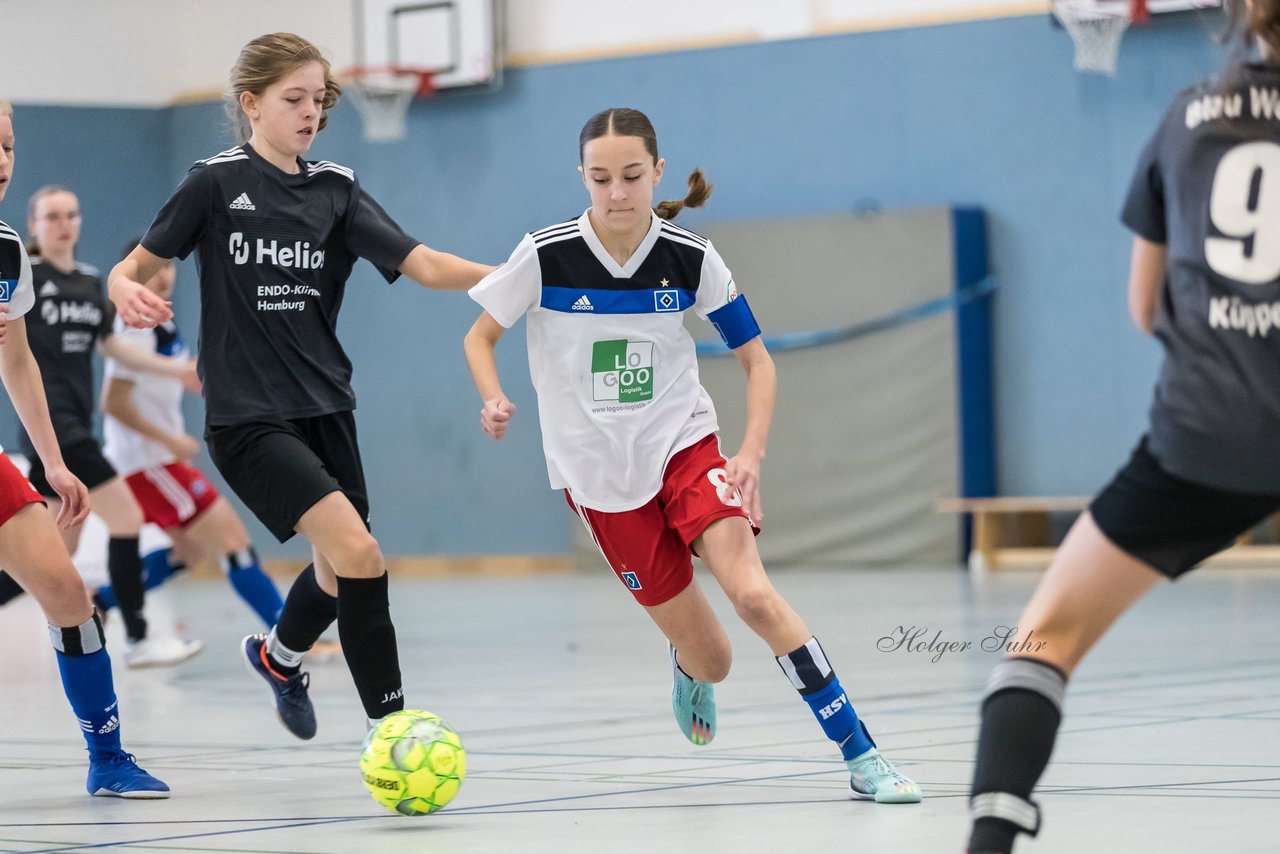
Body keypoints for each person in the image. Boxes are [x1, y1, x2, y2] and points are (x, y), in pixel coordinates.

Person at [464, 107, 922, 804]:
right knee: (716, 658)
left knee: (756, 597)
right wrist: (492, 397)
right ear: (581, 178)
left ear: (658, 172)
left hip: (684, 446)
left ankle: (863, 755)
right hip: (599, 481)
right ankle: (688, 668)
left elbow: (757, 361)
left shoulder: (692, 258)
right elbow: (479, 337)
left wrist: (750, 455)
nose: (617, 193)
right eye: (600, 179)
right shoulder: (545, 254)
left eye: (631, 176)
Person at [108, 32, 495, 741]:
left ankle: (278, 659)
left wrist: (513, 277)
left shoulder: (336, 190)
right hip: (247, 419)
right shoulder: (214, 183)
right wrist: (121, 290)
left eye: (319, 99)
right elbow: (130, 267)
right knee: (362, 555)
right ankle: (394, 729)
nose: (310, 111)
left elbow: (427, 264)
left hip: (327, 406)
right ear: (251, 104)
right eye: (294, 99)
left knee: (333, 565)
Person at [966, 2, 1280, 850]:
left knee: (1043, 637)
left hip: (1201, 439)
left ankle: (990, 836)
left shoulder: (1185, 119)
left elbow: (1145, 309)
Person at [0, 97, 168, 798]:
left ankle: (108, 759)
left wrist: (54, 460)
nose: (0, 162)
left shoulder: (7, 248)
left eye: (6, 146)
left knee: (68, 592)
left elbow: (15, 359)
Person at [2, 182, 202, 668]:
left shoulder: (92, 283)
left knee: (50, 554)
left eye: (71, 215)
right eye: (52, 217)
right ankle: (137, 636)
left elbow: (112, 348)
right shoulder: (26, 274)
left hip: (77, 427)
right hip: (53, 426)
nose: (64, 225)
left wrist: (176, 370)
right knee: (126, 518)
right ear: (34, 225)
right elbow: (17, 355)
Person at [98, 239, 283, 631]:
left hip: (151, 461)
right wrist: (170, 441)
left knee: (191, 550)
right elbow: (113, 402)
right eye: (151, 269)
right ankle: (291, 637)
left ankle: (100, 603)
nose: (162, 275)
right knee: (233, 539)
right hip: (147, 460)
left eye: (167, 266)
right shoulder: (134, 323)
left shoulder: (159, 321)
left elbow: (162, 373)